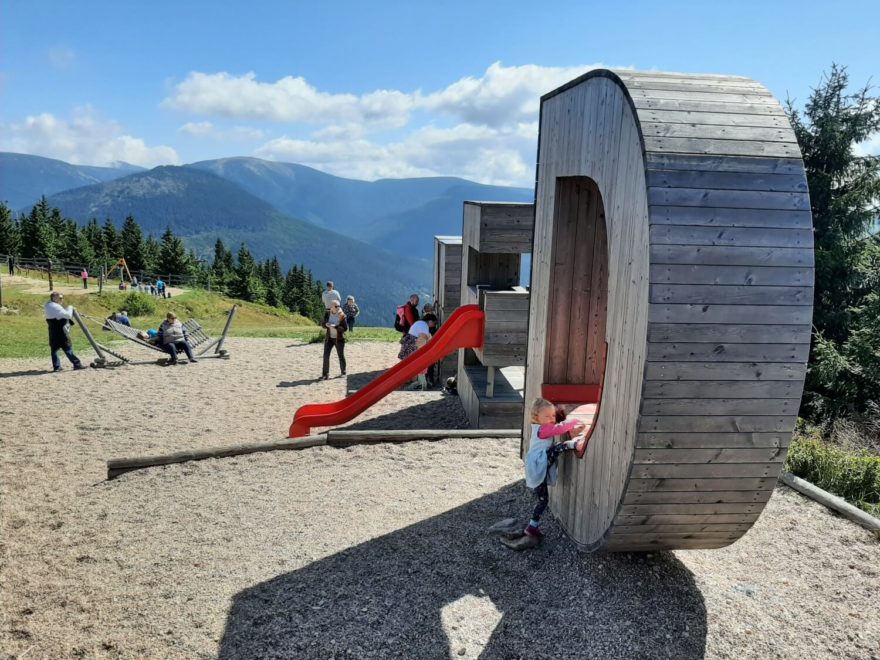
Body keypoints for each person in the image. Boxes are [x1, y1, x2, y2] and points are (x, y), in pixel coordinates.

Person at [500, 398, 589, 550]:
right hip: (539, 462)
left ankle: (532, 527)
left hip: (539, 462)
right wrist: (573, 421)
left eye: (552, 416)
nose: (551, 419)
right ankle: (572, 444)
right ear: (536, 417)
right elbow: (558, 429)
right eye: (547, 416)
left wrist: (560, 413)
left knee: (543, 501)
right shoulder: (542, 429)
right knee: (556, 449)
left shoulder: (542, 426)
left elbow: (556, 425)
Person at [44, 291, 86, 372]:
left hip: (53, 331)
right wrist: (70, 307)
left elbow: (60, 314)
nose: (62, 299)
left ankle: (57, 367)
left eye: (62, 298)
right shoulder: (55, 306)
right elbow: (68, 315)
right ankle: (77, 364)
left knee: (54, 349)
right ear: (54, 298)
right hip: (61, 331)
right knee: (67, 348)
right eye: (60, 298)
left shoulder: (48, 305)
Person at [321, 300, 347, 380]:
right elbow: (323, 323)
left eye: (338, 306)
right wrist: (326, 324)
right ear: (331, 307)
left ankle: (343, 372)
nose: (338, 307)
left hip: (339, 339)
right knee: (326, 356)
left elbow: (345, 328)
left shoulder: (342, 315)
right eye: (336, 306)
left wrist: (335, 326)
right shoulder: (328, 314)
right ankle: (325, 374)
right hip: (329, 338)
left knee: (340, 356)